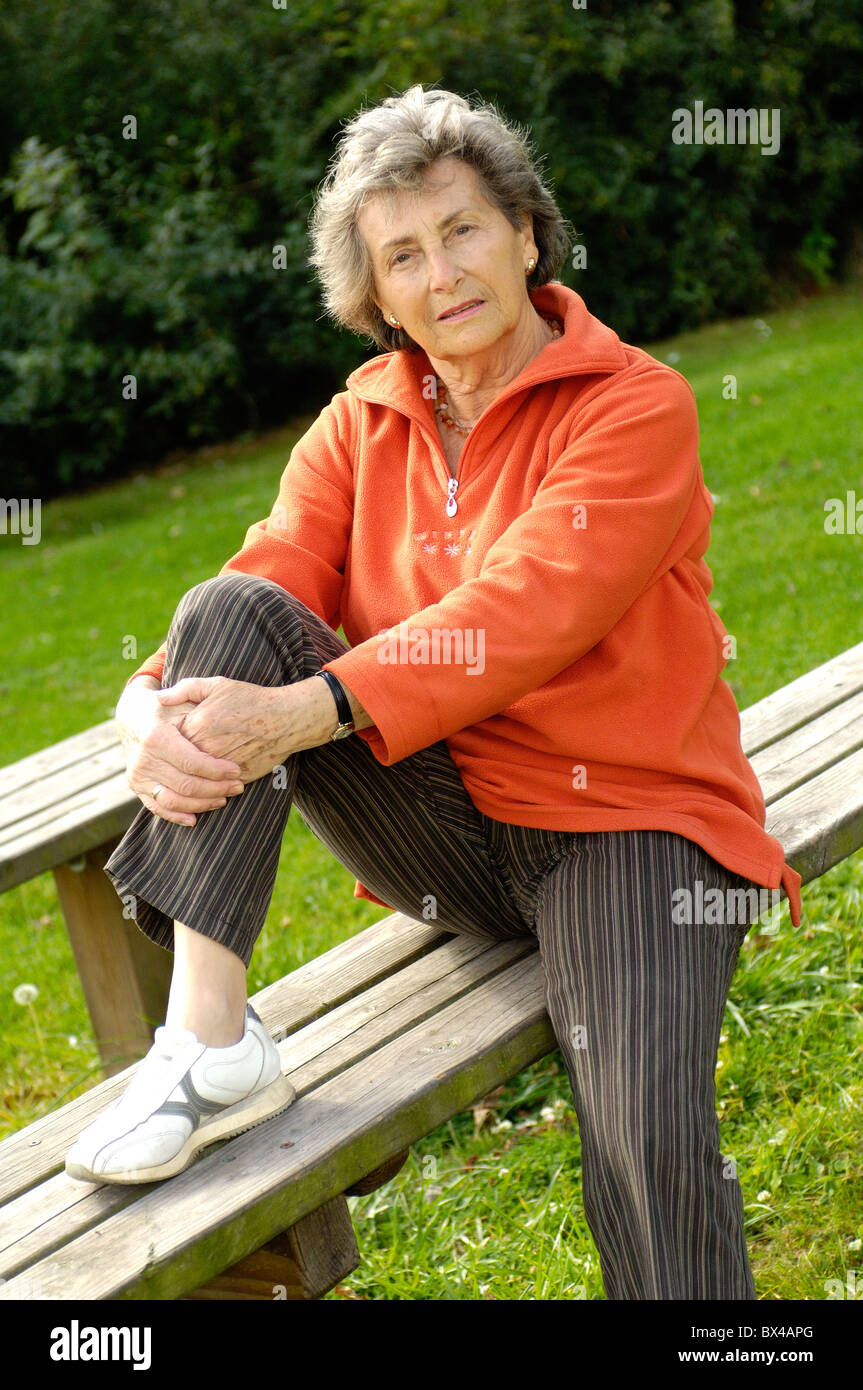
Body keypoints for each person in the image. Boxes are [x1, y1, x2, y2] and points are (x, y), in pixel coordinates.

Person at [65, 84, 803, 1301]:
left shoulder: (633, 405)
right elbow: (262, 580)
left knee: (640, 1129)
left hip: (632, 831)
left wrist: (299, 716)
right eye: (401, 253)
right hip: (450, 834)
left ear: (524, 231)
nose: (441, 271)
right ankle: (208, 1046)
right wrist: (142, 715)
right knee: (230, 615)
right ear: (373, 290)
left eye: (462, 230)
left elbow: (521, 614)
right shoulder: (360, 421)